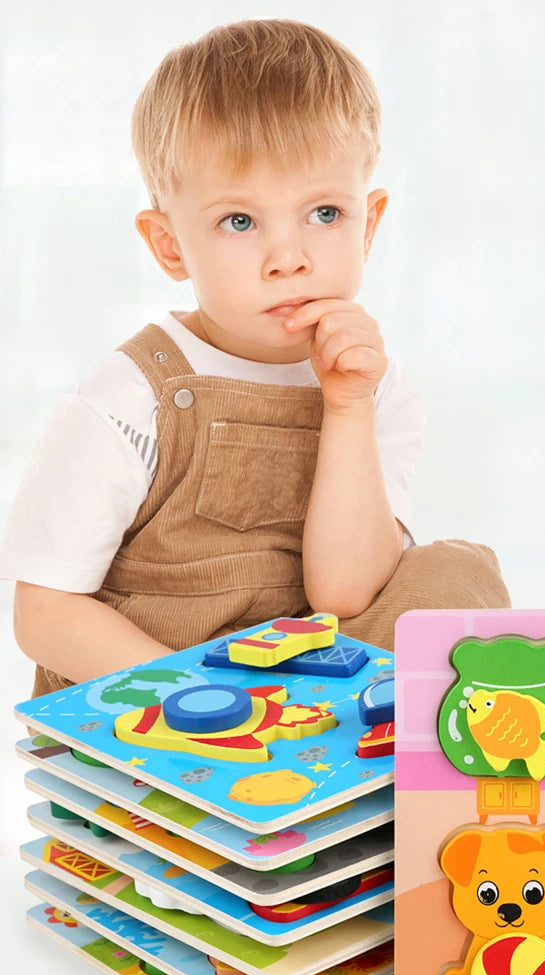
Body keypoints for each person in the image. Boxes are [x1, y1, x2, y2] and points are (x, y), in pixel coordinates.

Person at [1, 18, 509, 699]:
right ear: (170, 246)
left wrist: (348, 408)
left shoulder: (377, 388)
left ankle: (355, 745)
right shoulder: (130, 397)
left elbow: (346, 594)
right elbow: (44, 613)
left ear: (370, 223)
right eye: (239, 221)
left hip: (304, 686)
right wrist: (196, 696)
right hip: (155, 694)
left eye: (324, 213)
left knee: (456, 574)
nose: (288, 258)